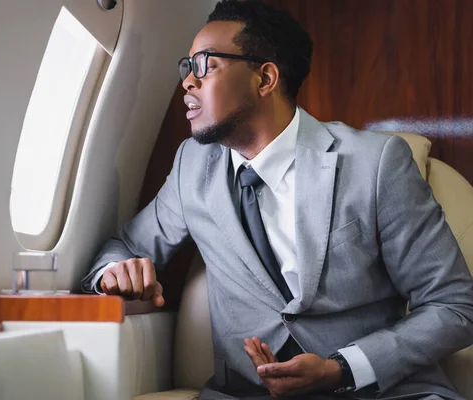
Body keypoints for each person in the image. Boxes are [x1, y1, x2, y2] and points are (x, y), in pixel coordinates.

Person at [81, 1, 473, 399]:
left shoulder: (375, 163)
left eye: (205, 65)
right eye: (187, 67)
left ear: (265, 77)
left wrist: (342, 368)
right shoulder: (191, 167)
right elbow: (125, 246)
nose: (188, 82)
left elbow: (455, 305)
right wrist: (115, 273)